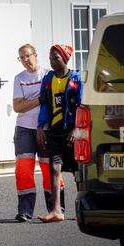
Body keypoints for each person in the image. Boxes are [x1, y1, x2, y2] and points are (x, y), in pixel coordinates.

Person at [12, 44, 65, 222]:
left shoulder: (47, 75)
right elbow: (18, 106)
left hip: (47, 129)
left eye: (28, 56)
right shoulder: (19, 78)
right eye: (22, 57)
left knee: (49, 168)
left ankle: (56, 207)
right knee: (23, 170)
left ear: (35, 55)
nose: (26, 60)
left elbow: (54, 99)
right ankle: (25, 211)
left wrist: (33, 101)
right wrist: (39, 99)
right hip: (24, 129)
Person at [36, 45, 83, 223]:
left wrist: (78, 128)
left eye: (55, 57)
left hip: (72, 132)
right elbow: (45, 104)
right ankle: (56, 211)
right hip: (55, 132)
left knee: (78, 172)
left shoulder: (76, 78)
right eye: (50, 57)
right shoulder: (48, 79)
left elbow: (81, 105)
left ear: (65, 58)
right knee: (54, 169)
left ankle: (81, 209)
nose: (51, 60)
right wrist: (41, 127)